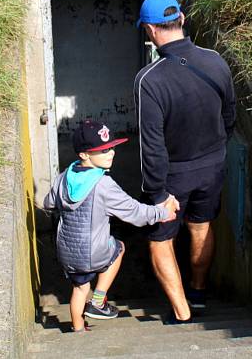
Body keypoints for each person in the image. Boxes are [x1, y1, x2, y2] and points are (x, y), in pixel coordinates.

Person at [134, 0, 236, 324]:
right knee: (201, 226)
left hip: (173, 177)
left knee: (160, 240)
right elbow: (230, 115)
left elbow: (151, 145)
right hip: (212, 167)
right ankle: (198, 291)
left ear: (150, 30)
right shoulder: (216, 60)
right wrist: (215, 152)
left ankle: (182, 311)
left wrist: (158, 192)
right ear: (182, 20)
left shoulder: (149, 80)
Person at [43, 119, 178, 332]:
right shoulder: (103, 185)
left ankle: (78, 330)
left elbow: (48, 203)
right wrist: (163, 213)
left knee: (79, 289)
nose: (111, 153)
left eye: (112, 147)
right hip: (93, 253)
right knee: (119, 248)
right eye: (103, 150)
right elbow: (135, 212)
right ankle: (98, 301)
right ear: (84, 155)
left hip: (66, 252)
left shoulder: (63, 178)